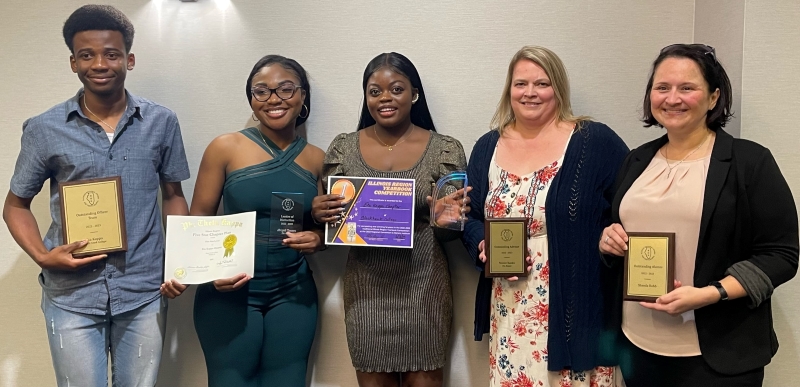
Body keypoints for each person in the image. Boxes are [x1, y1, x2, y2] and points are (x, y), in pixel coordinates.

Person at [2, 5, 190, 386]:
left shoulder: (161, 122)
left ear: (129, 59)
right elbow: (15, 205)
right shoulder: (43, 129)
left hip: (144, 289)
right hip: (71, 295)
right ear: (73, 62)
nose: (99, 63)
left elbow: (173, 195)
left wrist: (181, 261)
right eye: (87, 55)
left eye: (111, 53)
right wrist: (42, 255)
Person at [599, 44, 799, 387]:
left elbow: (782, 255)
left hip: (717, 354)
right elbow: (620, 235)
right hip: (638, 345)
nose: (672, 98)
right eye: (662, 88)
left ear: (713, 97)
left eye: (687, 88)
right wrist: (609, 243)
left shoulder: (749, 162)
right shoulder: (636, 160)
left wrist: (710, 293)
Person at [462, 45, 628, 386]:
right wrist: (480, 242)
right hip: (510, 309)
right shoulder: (487, 146)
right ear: (509, 89)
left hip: (575, 310)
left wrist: (614, 235)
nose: (530, 93)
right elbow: (470, 216)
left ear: (559, 88)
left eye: (542, 83)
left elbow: (634, 200)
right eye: (521, 83)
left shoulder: (592, 141)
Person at [312, 52, 467, 387]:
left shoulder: (446, 149)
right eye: (374, 91)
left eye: (396, 89)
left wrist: (448, 219)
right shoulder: (343, 148)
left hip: (424, 283)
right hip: (366, 287)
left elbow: (451, 235)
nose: (385, 98)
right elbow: (333, 225)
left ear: (414, 94)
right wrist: (319, 214)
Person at [190, 55, 324, 387]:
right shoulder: (225, 147)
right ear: (251, 99)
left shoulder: (318, 158)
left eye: (286, 88)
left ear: (303, 96)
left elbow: (326, 226)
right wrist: (209, 273)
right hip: (228, 294)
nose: (274, 99)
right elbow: (198, 221)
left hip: (293, 293)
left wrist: (318, 239)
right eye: (261, 91)